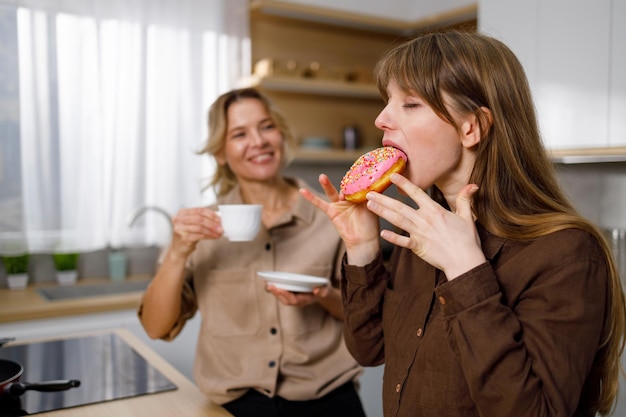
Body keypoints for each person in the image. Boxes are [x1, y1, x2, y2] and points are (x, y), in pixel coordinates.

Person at [301, 30, 626, 417]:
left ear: (472, 127)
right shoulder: (422, 228)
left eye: (410, 103)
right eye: (387, 101)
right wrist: (362, 249)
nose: (382, 118)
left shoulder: (566, 254)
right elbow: (371, 348)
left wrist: (466, 270)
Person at [138, 87, 366, 417]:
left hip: (328, 399)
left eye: (267, 126)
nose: (258, 141)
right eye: (240, 134)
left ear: (281, 135)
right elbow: (156, 328)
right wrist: (176, 253)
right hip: (234, 406)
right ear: (219, 151)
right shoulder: (200, 229)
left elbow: (365, 317)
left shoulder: (329, 217)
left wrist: (322, 295)